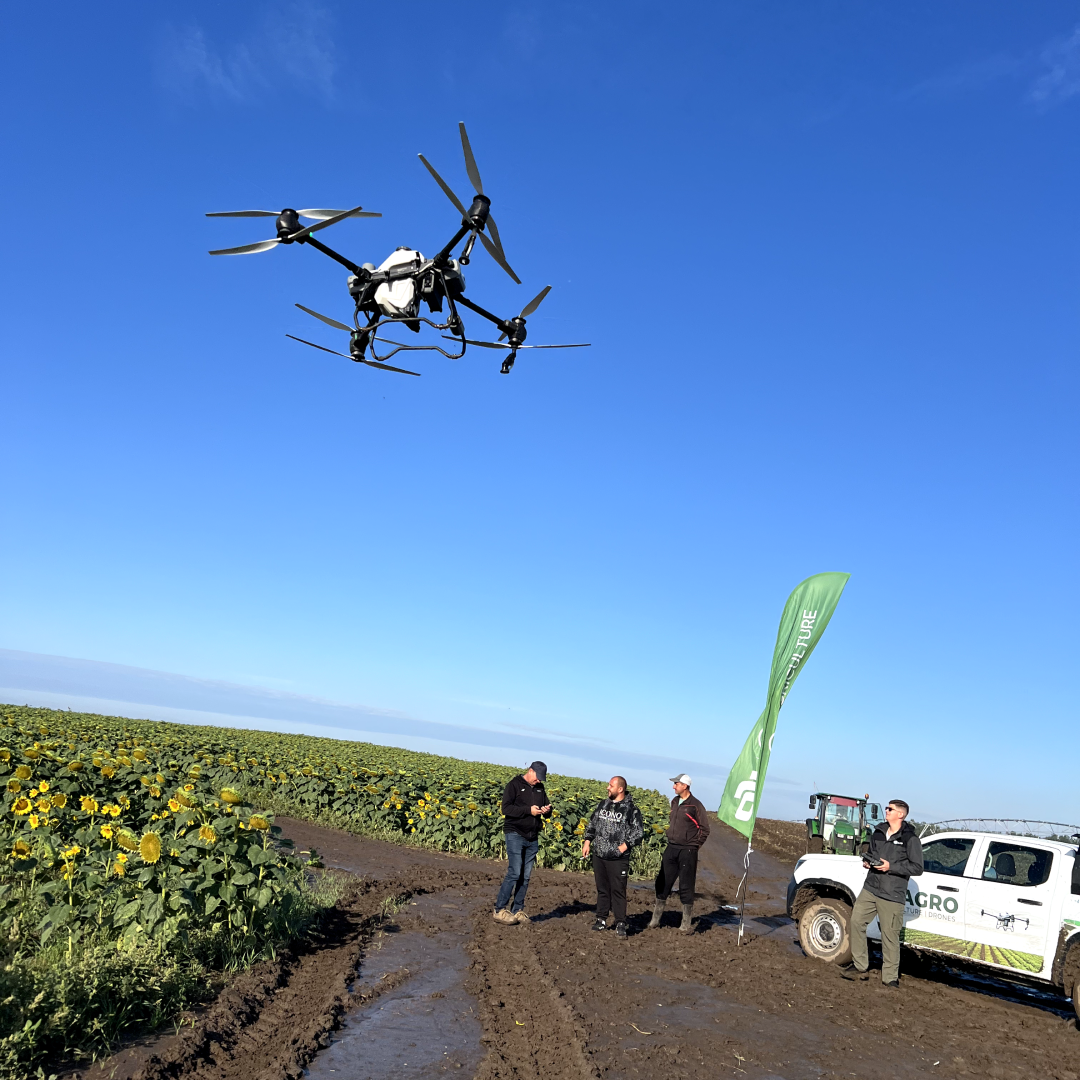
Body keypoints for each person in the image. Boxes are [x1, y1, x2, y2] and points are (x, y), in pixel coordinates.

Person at [841, 798, 923, 988]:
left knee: (889, 935)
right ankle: (860, 965)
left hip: (892, 894)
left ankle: (890, 978)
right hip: (871, 888)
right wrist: (868, 862)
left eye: (890, 809)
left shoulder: (910, 839)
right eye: (887, 808)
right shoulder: (878, 832)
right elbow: (871, 853)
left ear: (900, 814)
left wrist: (890, 867)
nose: (886, 810)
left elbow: (917, 867)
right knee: (856, 921)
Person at [582, 776, 644, 938]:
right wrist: (587, 841)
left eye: (611, 785)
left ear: (620, 789)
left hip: (618, 858)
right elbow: (592, 824)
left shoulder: (631, 810)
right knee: (602, 889)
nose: (607, 788)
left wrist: (622, 848)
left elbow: (638, 833)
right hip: (599, 854)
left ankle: (620, 922)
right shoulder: (603, 805)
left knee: (618, 890)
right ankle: (601, 919)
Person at [649, 773, 710, 932]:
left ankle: (685, 923)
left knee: (686, 885)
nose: (673, 786)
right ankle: (655, 920)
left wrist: (694, 846)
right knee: (662, 882)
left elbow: (705, 829)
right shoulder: (674, 802)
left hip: (687, 850)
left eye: (676, 784)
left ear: (685, 786)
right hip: (671, 847)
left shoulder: (696, 805)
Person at [493, 762, 552, 925]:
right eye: (537, 777)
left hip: (533, 836)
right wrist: (529, 810)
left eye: (541, 779)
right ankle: (499, 910)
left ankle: (517, 910)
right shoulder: (514, 785)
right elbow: (506, 809)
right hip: (515, 833)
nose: (539, 781)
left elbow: (546, 809)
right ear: (530, 771)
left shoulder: (540, 789)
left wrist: (547, 811)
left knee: (525, 876)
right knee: (514, 872)